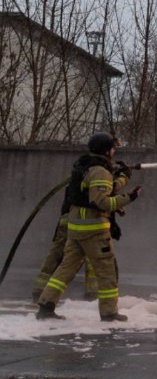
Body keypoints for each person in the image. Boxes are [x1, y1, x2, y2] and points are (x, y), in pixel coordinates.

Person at [36, 132, 142, 321]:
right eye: (113, 148)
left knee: (65, 269)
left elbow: (101, 188)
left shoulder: (85, 167)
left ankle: (46, 305)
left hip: (76, 228)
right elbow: (101, 201)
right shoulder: (100, 171)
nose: (114, 151)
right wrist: (130, 198)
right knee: (107, 271)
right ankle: (109, 313)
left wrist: (123, 177)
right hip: (93, 231)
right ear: (106, 150)